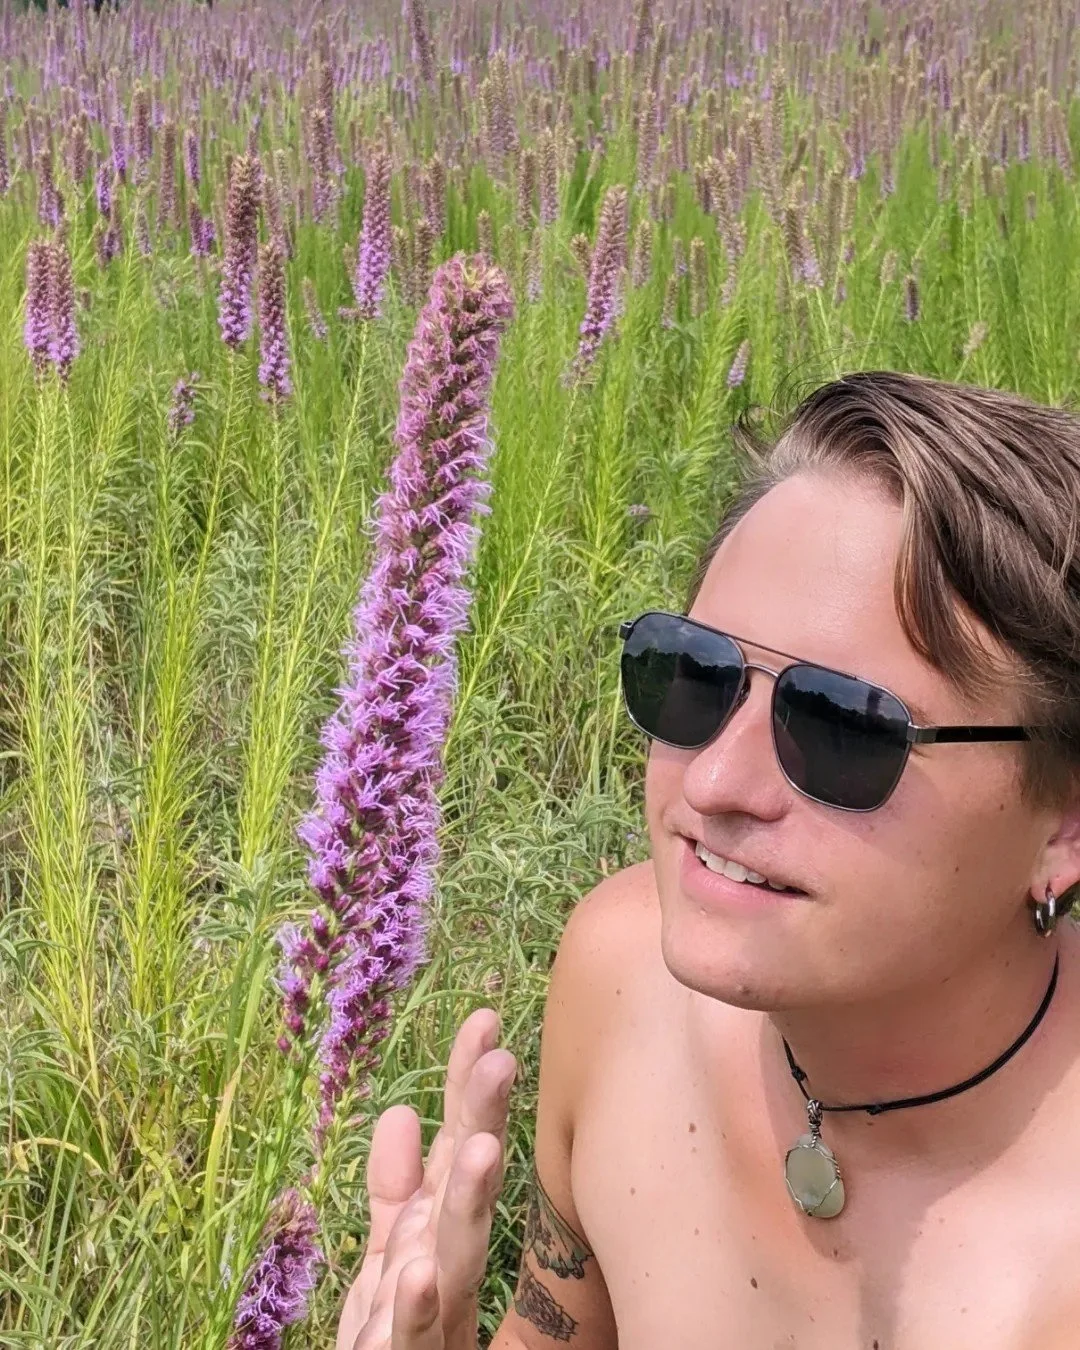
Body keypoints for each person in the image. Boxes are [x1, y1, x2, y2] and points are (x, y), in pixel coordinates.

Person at [337, 370, 1080, 1350]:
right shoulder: (623, 975)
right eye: (693, 674)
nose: (717, 782)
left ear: (1063, 826)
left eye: (844, 727)